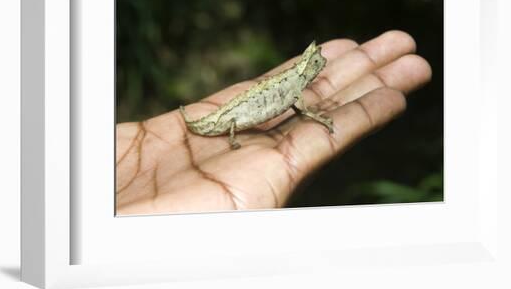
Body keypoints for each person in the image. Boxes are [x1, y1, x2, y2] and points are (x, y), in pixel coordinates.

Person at [116, 30, 432, 215]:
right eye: (314, 67)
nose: (317, 71)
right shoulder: (295, 85)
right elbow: (303, 111)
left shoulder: (296, 84)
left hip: (249, 108)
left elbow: (299, 107)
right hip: (235, 118)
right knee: (229, 120)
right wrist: (233, 138)